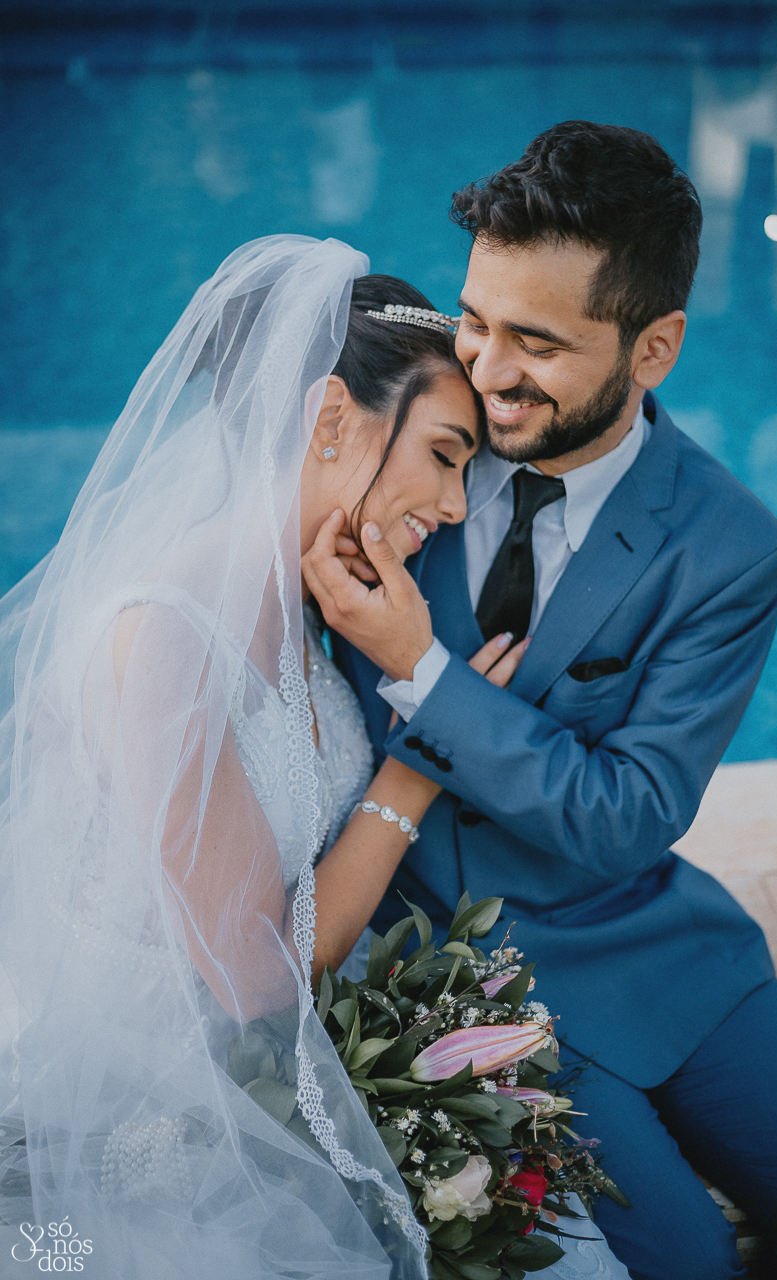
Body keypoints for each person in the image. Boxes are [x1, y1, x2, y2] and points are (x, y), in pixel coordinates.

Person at [305, 123, 777, 1280]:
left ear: (653, 348)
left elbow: (630, 811)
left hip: (645, 938)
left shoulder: (733, 549)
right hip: (447, 964)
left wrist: (424, 672)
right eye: (477, 320)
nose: (485, 368)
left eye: (538, 342)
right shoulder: (406, 446)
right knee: (684, 1260)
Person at [0, 234, 534, 1279]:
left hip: (259, 1067)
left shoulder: (306, 598)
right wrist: (420, 763)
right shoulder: (162, 640)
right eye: (444, 454)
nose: (454, 506)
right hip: (151, 1117)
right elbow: (256, 972)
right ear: (331, 418)